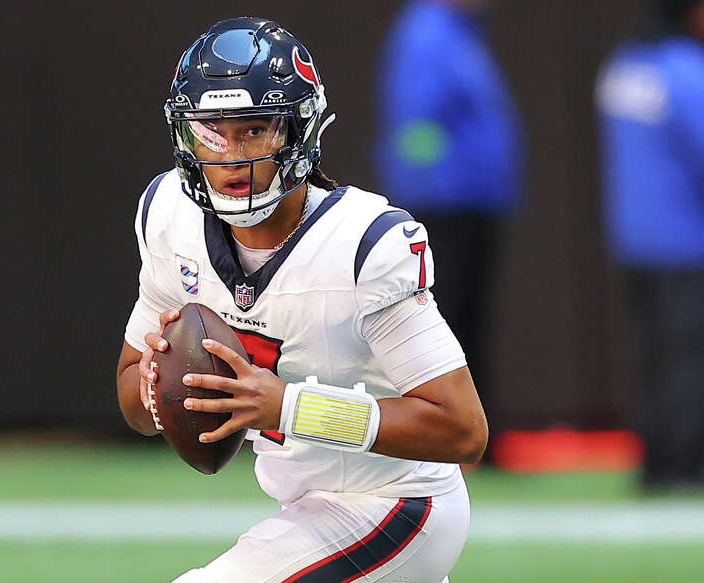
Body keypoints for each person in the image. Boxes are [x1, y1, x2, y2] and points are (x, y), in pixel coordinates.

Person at [117, 17, 488, 582]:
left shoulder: (363, 243)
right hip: (309, 508)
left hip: (398, 503)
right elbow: (132, 400)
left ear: (298, 132)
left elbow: (463, 431)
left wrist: (287, 406)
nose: (232, 157)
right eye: (212, 132)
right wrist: (158, 387)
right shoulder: (170, 216)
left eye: (255, 130)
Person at [373, 0, 523, 443]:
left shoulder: (460, 31)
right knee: (447, 323)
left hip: (472, 202)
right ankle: (444, 439)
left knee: (469, 320)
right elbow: (415, 125)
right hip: (446, 207)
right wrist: (431, 195)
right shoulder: (428, 33)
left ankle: (476, 440)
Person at [596, 0, 704, 492]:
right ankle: (682, 466)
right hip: (686, 240)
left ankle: (658, 462)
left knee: (656, 355)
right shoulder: (686, 71)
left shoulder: (624, 68)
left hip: (636, 238)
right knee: (687, 358)